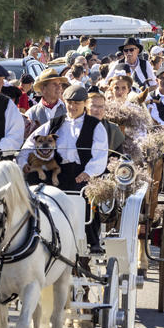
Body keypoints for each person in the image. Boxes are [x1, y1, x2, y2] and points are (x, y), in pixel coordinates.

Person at [18, 85, 108, 253]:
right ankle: (32, 231)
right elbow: (30, 144)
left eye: (77, 103)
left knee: (85, 195)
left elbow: (100, 154)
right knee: (33, 188)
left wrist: (88, 172)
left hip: (81, 172)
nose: (72, 107)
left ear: (85, 104)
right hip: (57, 170)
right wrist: (23, 163)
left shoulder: (95, 125)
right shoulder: (55, 123)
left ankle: (91, 240)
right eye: (69, 103)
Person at [88, 87, 125, 154]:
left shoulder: (113, 130)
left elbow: (118, 156)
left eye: (101, 106)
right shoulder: (78, 127)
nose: (98, 110)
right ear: (86, 108)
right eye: (94, 106)